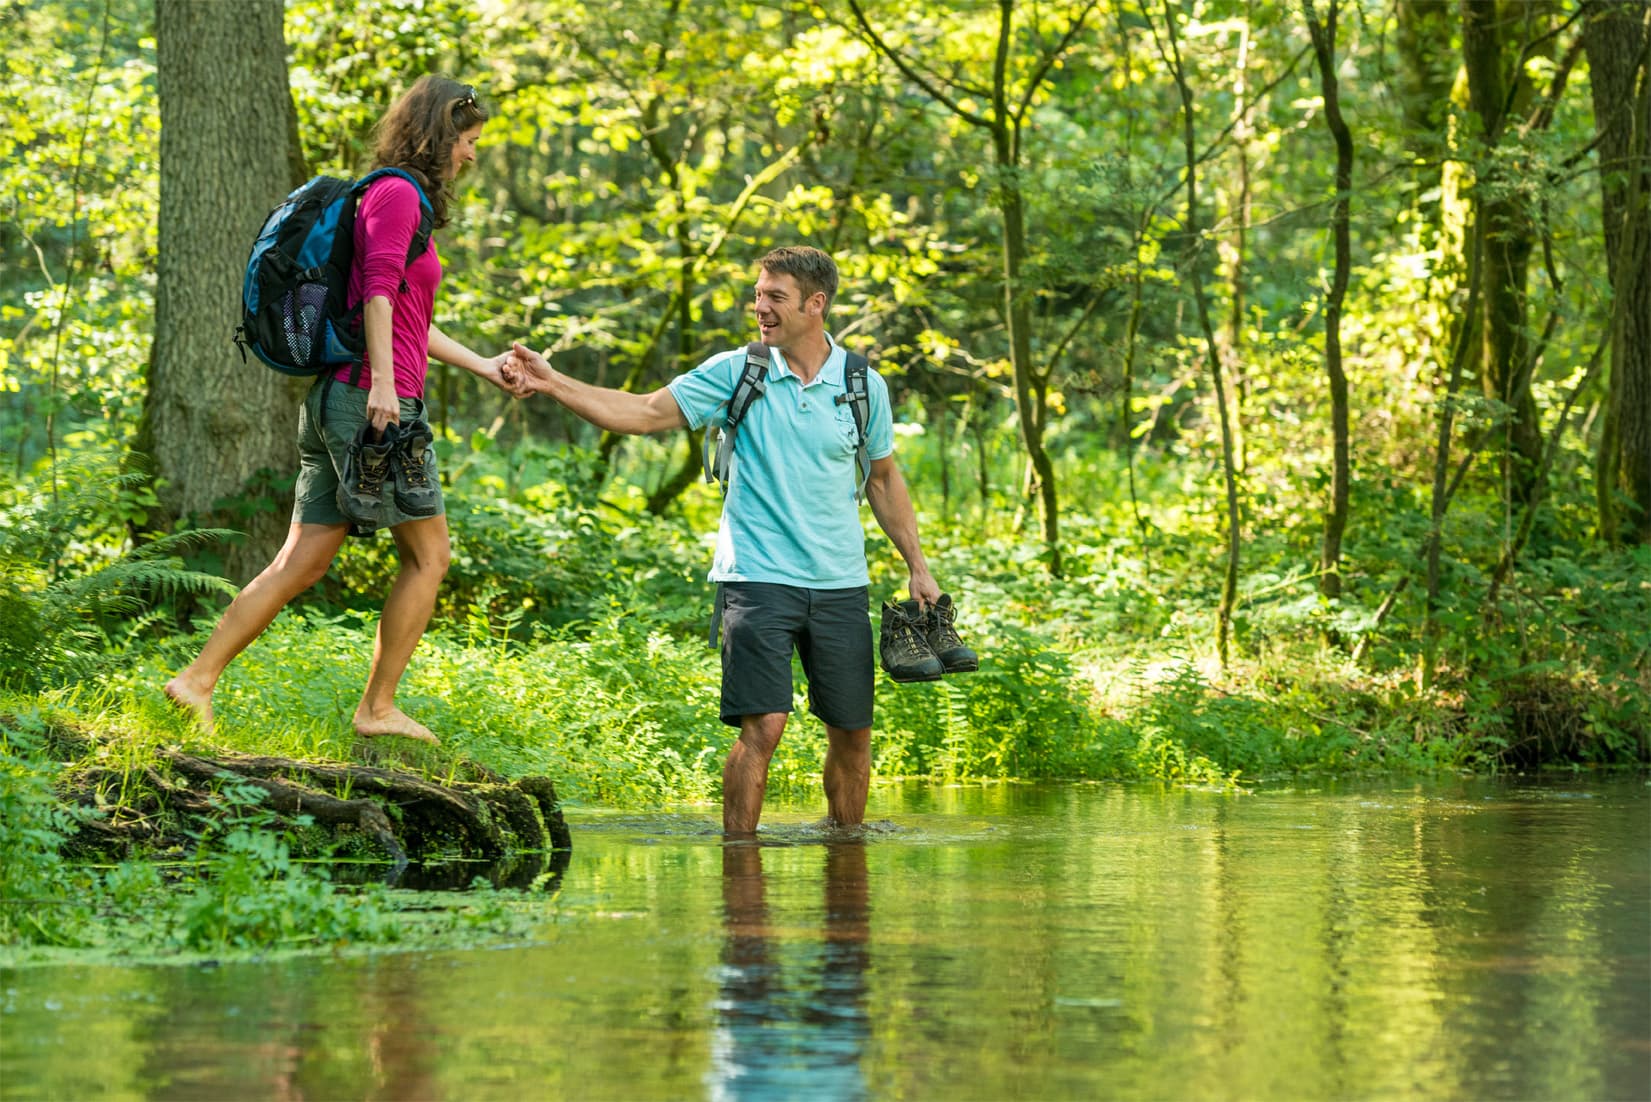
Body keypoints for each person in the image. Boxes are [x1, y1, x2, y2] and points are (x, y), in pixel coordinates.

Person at [502, 246, 943, 832]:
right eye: (758, 294)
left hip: (841, 584)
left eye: (775, 297)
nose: (759, 307)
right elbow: (641, 412)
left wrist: (917, 566)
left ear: (817, 304)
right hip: (757, 580)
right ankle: (740, 868)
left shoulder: (863, 385)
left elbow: (884, 479)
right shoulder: (738, 371)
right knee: (763, 727)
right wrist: (553, 382)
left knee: (853, 733)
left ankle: (846, 865)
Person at [165, 76, 515, 745]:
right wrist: (385, 384)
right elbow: (380, 292)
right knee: (429, 557)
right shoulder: (396, 194)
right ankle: (376, 707)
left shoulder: (395, 199)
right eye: (468, 142)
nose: (470, 156)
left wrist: (484, 366)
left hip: (351, 395)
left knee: (302, 560)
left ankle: (196, 680)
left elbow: (410, 316)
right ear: (441, 134)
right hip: (368, 402)